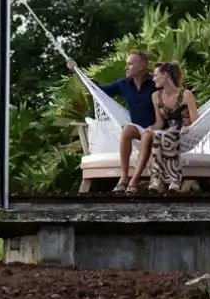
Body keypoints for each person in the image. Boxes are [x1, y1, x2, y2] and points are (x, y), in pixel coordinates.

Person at [68, 49, 159, 192]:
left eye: (130, 64)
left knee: (145, 133)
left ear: (141, 66)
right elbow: (95, 89)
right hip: (139, 129)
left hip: (157, 129)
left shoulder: (156, 82)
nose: (126, 67)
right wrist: (76, 72)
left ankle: (134, 182)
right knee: (127, 128)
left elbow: (173, 96)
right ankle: (124, 178)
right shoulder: (124, 84)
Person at [126, 61, 197, 193]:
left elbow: (196, 121)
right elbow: (159, 123)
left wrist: (188, 127)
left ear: (165, 75)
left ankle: (175, 179)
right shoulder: (156, 96)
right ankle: (156, 180)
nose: (153, 79)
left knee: (168, 135)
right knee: (158, 135)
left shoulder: (186, 95)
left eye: (155, 75)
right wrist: (150, 128)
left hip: (184, 133)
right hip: (166, 132)